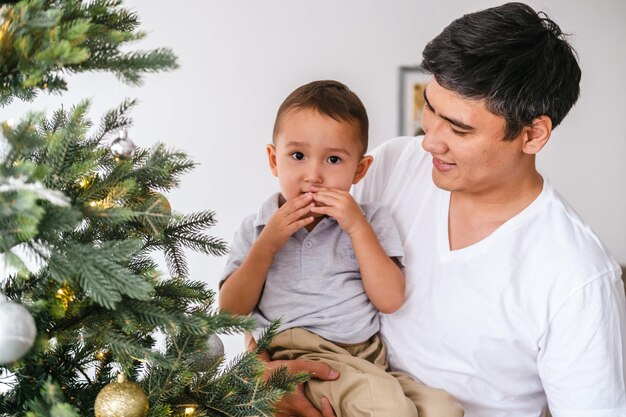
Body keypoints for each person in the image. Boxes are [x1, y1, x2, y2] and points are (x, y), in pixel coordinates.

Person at [264, 3, 626, 417]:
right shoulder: (393, 165)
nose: (430, 141)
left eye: (458, 129)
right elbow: (287, 265)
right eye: (430, 109)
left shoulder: (577, 278)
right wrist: (257, 368)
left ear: (533, 134)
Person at [218, 80, 464, 417]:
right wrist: (268, 244)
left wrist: (357, 227)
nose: (313, 175)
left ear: (359, 170)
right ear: (274, 160)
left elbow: (390, 300)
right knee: (390, 410)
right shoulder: (257, 227)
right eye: (298, 156)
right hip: (299, 354)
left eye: (333, 159)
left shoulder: (371, 221)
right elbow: (231, 309)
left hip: (366, 359)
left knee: (443, 409)